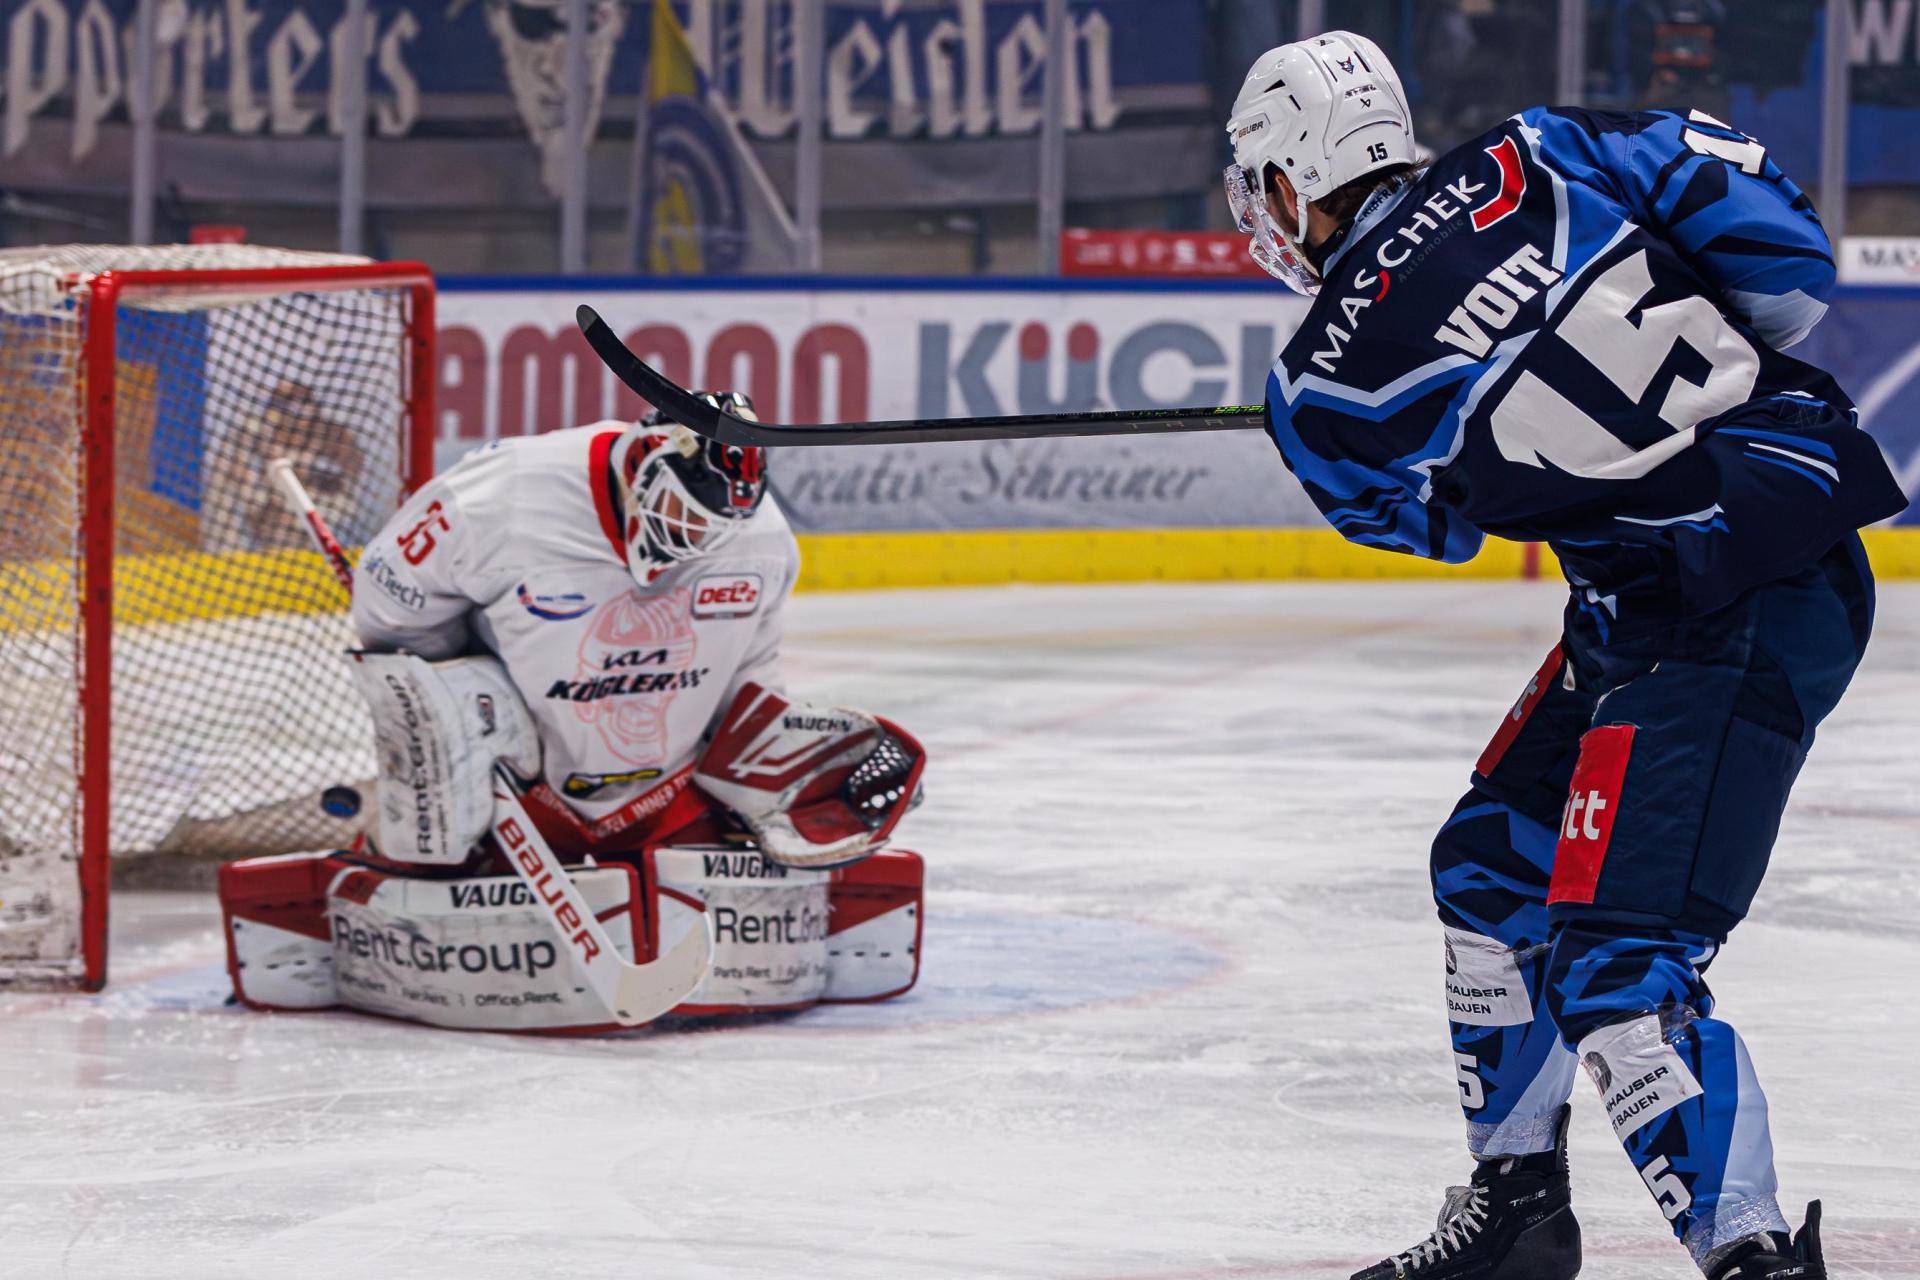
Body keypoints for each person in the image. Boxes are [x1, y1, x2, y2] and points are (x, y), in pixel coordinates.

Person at [1224, 31, 1905, 1280]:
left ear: (1284, 184)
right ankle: (1519, 1212)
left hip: (1715, 618)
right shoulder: (1541, 149)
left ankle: (1754, 1259)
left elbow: (1433, 523)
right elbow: (1789, 258)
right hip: (1721, 563)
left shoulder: (1317, 396)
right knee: (1491, 867)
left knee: (1617, 971)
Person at [217, 395, 927, 1033]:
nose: (692, 542)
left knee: (703, 824)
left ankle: (659, 853)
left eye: (712, 529)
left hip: (667, 793)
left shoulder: (762, 540)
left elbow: (750, 667)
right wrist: (458, 707)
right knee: (434, 832)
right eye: (681, 517)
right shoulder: (501, 499)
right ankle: (394, 869)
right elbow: (390, 612)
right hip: (525, 793)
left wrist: (767, 765)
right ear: (644, 472)